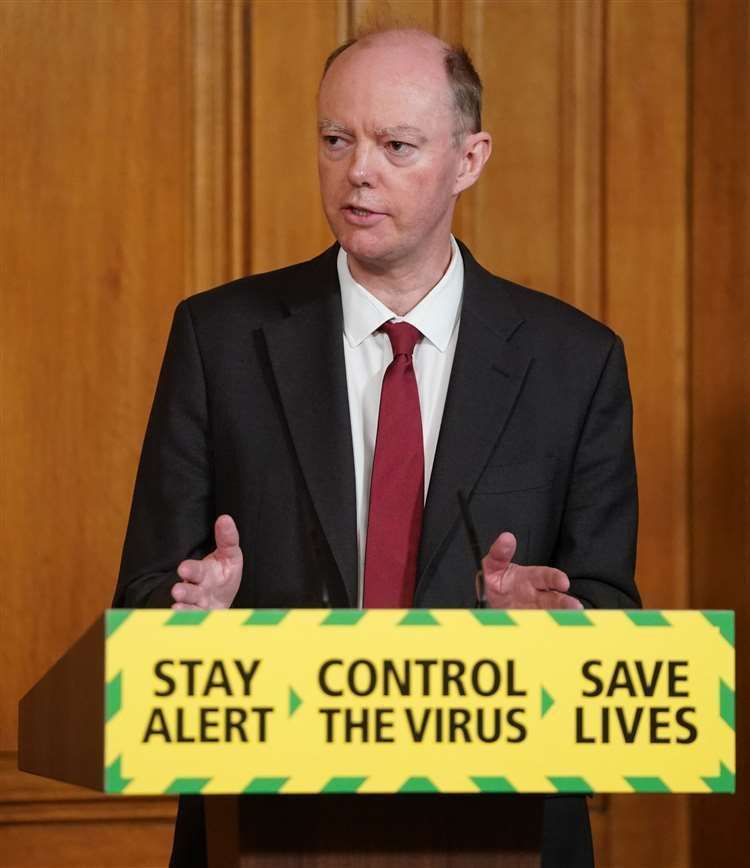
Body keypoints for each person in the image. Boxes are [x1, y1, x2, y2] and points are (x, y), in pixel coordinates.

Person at [114, 28, 640, 868]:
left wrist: (550, 631)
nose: (358, 171)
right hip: (266, 826)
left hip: (499, 823)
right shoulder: (220, 339)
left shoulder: (575, 362)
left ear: (470, 159)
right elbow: (145, 591)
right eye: (335, 140)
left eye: (396, 145)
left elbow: (611, 619)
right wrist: (190, 617)